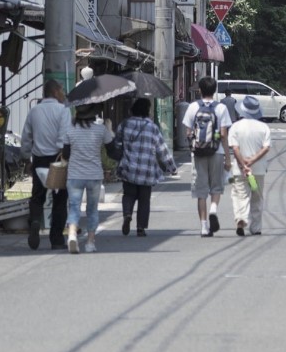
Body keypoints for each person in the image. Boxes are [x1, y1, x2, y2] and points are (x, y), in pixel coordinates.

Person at [20, 80, 71, 251]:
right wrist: (64, 156)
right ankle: (56, 239)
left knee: (37, 196)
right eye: (62, 90)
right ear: (55, 92)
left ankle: (35, 221)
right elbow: (64, 137)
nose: (63, 94)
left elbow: (26, 136)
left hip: (39, 158)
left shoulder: (34, 111)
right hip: (57, 158)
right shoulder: (63, 110)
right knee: (60, 199)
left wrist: (26, 157)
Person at [115, 97, 177, 237]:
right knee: (144, 199)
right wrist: (171, 167)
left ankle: (127, 214)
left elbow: (117, 145)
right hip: (146, 170)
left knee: (128, 194)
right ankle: (141, 228)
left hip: (128, 168)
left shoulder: (124, 125)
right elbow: (162, 149)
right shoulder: (152, 127)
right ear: (147, 111)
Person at [183, 75, 232, 236]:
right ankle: (213, 209)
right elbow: (223, 134)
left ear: (200, 90)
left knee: (201, 190)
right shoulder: (221, 108)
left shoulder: (193, 107)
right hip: (216, 151)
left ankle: (204, 227)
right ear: (215, 90)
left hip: (198, 152)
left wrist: (194, 146)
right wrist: (227, 157)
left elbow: (188, 132)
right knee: (216, 186)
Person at [64, 104, 114, 254]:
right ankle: (90, 243)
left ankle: (72, 234)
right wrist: (109, 128)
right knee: (92, 210)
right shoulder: (100, 129)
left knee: (74, 207)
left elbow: (65, 155)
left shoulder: (70, 129)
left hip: (74, 175)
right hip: (94, 175)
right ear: (94, 114)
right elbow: (112, 150)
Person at [228, 94, 271, 237]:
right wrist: (252, 161)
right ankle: (256, 227)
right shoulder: (263, 127)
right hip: (258, 170)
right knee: (257, 197)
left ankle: (241, 218)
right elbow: (266, 148)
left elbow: (235, 148)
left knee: (239, 194)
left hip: (239, 170)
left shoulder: (235, 127)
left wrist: (243, 164)